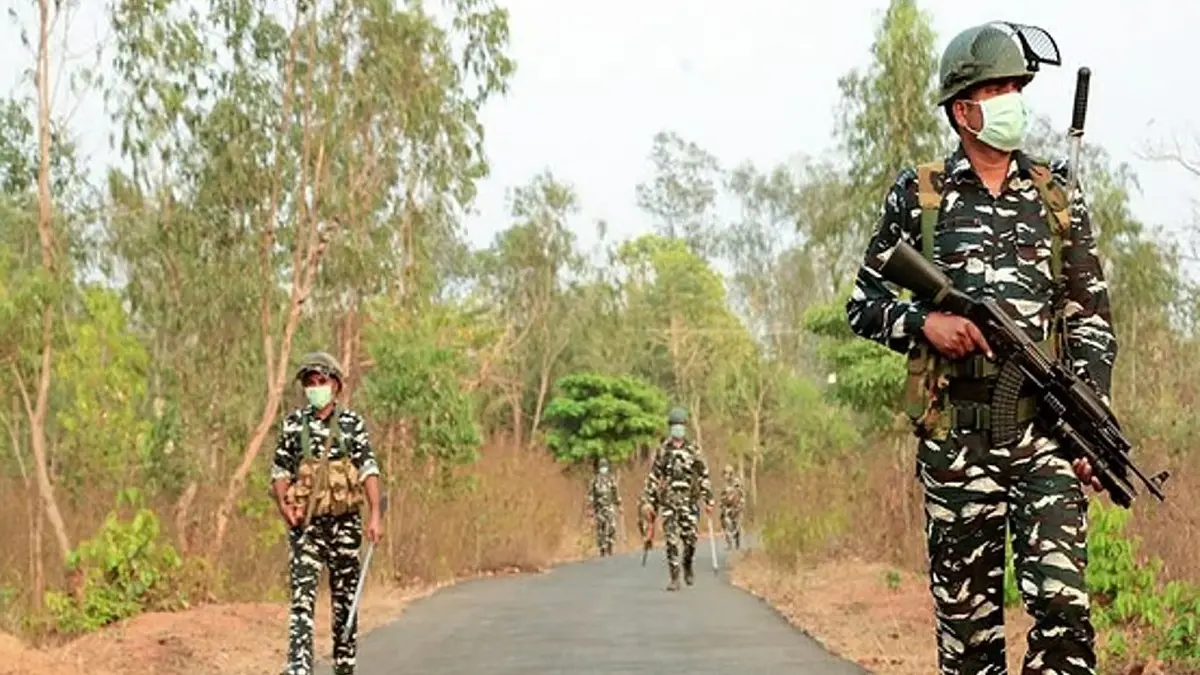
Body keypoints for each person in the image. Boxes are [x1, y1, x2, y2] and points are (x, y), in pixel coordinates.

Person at [845, 21, 1116, 675]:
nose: (1011, 98)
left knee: (1066, 615)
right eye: (996, 87)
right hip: (956, 442)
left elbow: (1091, 321)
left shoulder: (1058, 198)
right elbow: (863, 304)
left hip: (1045, 436)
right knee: (969, 645)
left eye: (1016, 86)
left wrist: (1090, 420)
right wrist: (924, 324)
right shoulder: (921, 193)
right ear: (962, 107)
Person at [270, 351, 384, 675]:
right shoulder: (294, 425)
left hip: (345, 525)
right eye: (309, 383)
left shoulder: (351, 425)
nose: (314, 388)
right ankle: (299, 669)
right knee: (302, 603)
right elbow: (280, 471)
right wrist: (284, 507)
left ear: (335, 385)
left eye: (321, 381)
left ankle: (344, 667)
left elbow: (368, 470)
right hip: (307, 528)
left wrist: (375, 514)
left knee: (345, 605)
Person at [642, 407, 714, 591]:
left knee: (690, 539)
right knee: (671, 540)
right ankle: (674, 577)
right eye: (674, 426)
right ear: (670, 428)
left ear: (685, 427)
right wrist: (649, 501)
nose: (677, 429)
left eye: (680, 425)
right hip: (669, 502)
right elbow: (654, 477)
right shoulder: (663, 451)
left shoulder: (693, 449)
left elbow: (703, 474)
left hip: (689, 503)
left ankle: (687, 564)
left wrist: (708, 499)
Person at [587, 457, 621, 556]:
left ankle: (610, 544)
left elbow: (615, 492)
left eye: (605, 466)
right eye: (602, 467)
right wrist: (590, 506)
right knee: (600, 527)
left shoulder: (611, 478)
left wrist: (619, 503)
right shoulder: (595, 480)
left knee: (612, 526)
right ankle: (602, 547)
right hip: (599, 507)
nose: (603, 469)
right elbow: (591, 494)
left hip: (609, 506)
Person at [719, 464, 744, 551]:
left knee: (736, 526)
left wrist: (740, 505)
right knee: (726, 524)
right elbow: (722, 496)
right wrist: (721, 505)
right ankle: (729, 544)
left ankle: (737, 543)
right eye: (724, 473)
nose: (725, 475)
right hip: (727, 507)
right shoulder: (724, 485)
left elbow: (740, 494)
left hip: (736, 507)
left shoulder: (736, 482)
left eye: (727, 473)